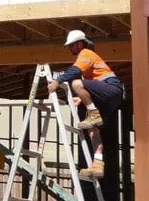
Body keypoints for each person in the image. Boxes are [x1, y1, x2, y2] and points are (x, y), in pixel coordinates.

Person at [47, 30, 125, 180]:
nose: (70, 49)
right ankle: (98, 164)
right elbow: (94, 86)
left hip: (112, 89)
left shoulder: (86, 53)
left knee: (76, 83)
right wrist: (82, 99)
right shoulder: (88, 60)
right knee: (92, 128)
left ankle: (93, 114)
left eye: (71, 46)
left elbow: (75, 71)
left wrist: (58, 81)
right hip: (110, 96)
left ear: (79, 44)